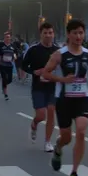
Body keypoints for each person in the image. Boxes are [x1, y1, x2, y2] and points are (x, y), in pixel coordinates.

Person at [41, 19, 88, 176]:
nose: (78, 36)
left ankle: (74, 172)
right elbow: (45, 73)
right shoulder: (60, 54)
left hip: (82, 97)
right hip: (64, 99)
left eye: (81, 33)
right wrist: (62, 79)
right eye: (75, 33)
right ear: (68, 35)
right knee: (66, 137)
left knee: (81, 131)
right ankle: (58, 147)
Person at [21, 23, 59, 152]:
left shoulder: (57, 50)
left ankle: (48, 142)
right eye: (45, 33)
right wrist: (34, 71)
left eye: (50, 33)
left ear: (53, 34)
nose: (48, 35)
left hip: (53, 87)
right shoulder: (34, 49)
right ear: (41, 34)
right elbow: (24, 65)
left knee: (51, 113)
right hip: (38, 87)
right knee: (41, 115)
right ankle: (34, 124)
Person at [0, 32, 16, 101]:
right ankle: (6, 94)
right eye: (6, 37)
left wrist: (14, 57)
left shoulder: (12, 46)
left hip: (9, 64)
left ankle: (3, 87)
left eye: (8, 37)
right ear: (4, 38)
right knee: (4, 78)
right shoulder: (0, 45)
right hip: (2, 64)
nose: (7, 38)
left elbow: (15, 53)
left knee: (10, 80)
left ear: (10, 38)